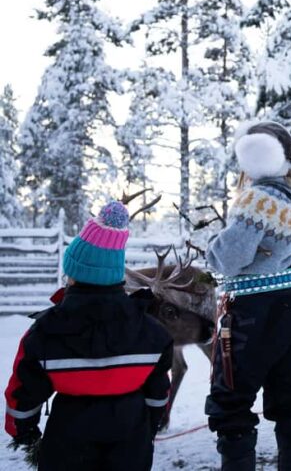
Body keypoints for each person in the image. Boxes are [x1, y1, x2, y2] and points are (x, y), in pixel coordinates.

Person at [4, 200, 173, 471]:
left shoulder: (45, 332)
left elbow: (23, 392)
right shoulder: (152, 333)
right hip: (131, 439)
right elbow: (158, 393)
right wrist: (150, 426)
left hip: (67, 441)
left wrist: (25, 433)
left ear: (74, 273)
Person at [204, 121, 291, 471]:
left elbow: (228, 258)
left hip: (254, 312)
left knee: (232, 401)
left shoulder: (258, 199)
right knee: (290, 397)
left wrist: (212, 247)